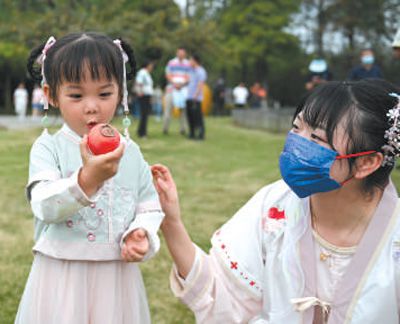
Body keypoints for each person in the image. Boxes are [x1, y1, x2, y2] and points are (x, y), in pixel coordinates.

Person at [153, 79, 400, 323]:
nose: (297, 142)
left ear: (367, 162)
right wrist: (172, 223)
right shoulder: (274, 206)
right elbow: (225, 295)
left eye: (316, 138)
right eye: (296, 127)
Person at [16, 32, 164, 324]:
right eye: (76, 95)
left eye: (104, 93)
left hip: (115, 277)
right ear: (50, 95)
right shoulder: (50, 147)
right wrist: (86, 180)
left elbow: (149, 203)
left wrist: (141, 233)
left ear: (120, 93)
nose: (92, 106)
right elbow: (44, 205)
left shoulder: (129, 151)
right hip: (62, 274)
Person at [163, 47, 191, 135]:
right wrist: (174, 84)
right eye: (180, 53)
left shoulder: (188, 64)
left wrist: (181, 85)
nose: (181, 55)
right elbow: (168, 74)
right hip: (171, 89)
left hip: (183, 90)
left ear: (185, 54)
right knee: (168, 110)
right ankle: (165, 128)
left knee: (183, 111)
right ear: (177, 53)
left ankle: (183, 129)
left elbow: (189, 76)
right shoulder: (171, 63)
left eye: (183, 53)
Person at [186, 54, 207, 140]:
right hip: (189, 97)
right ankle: (192, 133)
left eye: (190, 60)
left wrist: (196, 95)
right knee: (190, 117)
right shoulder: (191, 70)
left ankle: (201, 134)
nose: (189, 62)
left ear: (195, 61)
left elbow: (200, 85)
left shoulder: (201, 71)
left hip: (196, 98)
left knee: (198, 117)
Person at [135, 60, 154, 138]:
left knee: (145, 114)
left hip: (147, 95)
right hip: (143, 95)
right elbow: (139, 82)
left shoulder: (146, 73)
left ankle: (141, 130)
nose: (152, 67)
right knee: (144, 114)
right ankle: (142, 133)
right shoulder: (142, 72)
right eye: (151, 65)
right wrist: (140, 92)